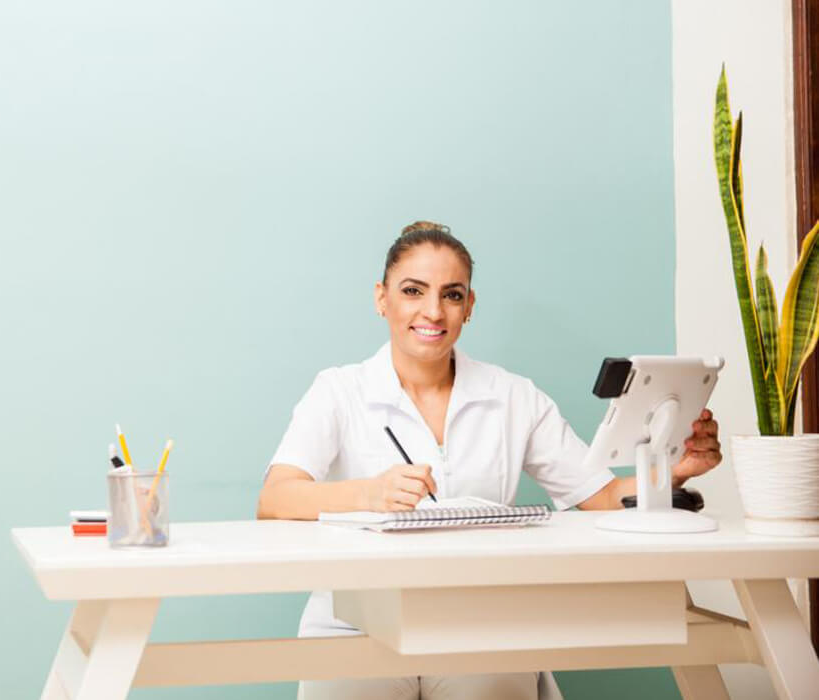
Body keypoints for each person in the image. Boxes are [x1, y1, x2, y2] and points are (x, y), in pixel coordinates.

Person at [256, 221, 722, 700]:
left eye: (451, 295)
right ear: (382, 298)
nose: (432, 311)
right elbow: (275, 498)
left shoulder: (512, 395)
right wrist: (368, 495)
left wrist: (674, 469)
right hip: (353, 622)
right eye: (413, 291)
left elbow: (599, 495)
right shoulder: (339, 390)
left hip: (479, 622)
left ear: (469, 306)